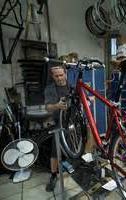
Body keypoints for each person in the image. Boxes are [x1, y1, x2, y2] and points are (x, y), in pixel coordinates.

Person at [44, 64, 69, 192]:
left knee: (78, 145)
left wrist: (88, 99)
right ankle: (53, 175)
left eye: (61, 75)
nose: (59, 78)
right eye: (56, 76)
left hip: (72, 122)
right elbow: (47, 107)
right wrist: (57, 106)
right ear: (53, 77)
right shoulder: (50, 89)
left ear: (65, 74)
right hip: (58, 122)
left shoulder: (72, 87)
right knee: (55, 150)